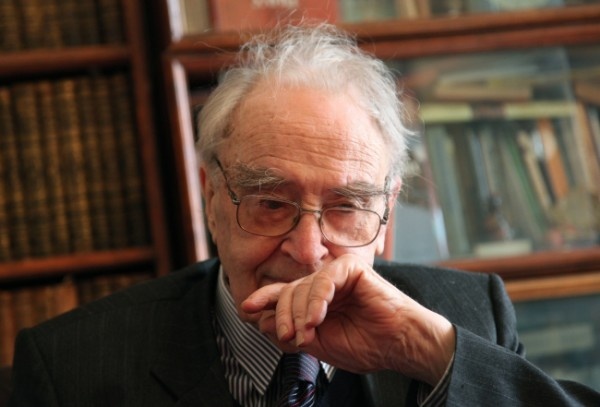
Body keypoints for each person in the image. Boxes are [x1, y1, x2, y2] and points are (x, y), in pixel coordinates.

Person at [9, 23, 600, 407]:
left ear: (388, 215)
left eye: (347, 207)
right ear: (211, 197)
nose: (309, 250)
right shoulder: (71, 369)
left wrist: (430, 351)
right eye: (271, 203)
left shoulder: (466, 319)